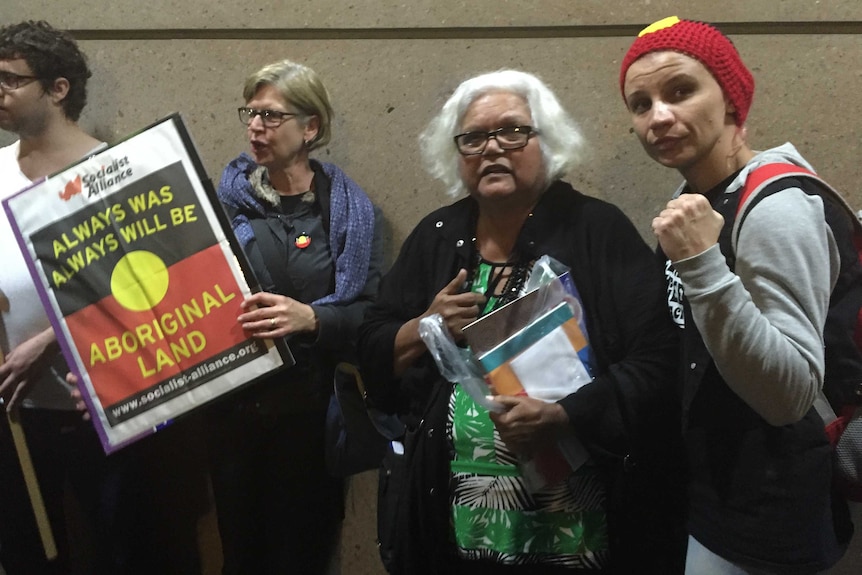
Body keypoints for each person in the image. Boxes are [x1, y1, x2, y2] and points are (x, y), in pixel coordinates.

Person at [358, 69, 687, 575]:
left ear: (547, 141)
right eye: (473, 138)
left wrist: (565, 415)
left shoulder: (597, 231)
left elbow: (660, 361)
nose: (492, 148)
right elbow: (373, 343)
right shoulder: (437, 235)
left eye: (513, 131)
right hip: (452, 527)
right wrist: (424, 326)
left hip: (577, 533)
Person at [620, 16, 855, 573]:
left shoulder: (775, 208)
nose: (659, 116)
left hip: (769, 508)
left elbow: (789, 393)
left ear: (730, 99)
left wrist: (702, 263)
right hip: (712, 485)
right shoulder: (697, 196)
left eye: (680, 90)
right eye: (640, 103)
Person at [0, 20, 206, 575]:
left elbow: (150, 291)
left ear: (58, 89)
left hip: (111, 409)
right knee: (27, 555)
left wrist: (53, 338)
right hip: (16, 414)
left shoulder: (119, 172)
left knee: (132, 552)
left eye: (10, 80)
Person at [209, 58, 384, 575]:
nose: (255, 127)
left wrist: (312, 319)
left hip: (310, 416)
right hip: (233, 414)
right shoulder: (224, 205)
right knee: (239, 555)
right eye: (251, 113)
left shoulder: (346, 208)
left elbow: (371, 311)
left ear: (311, 128)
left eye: (271, 116)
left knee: (301, 555)